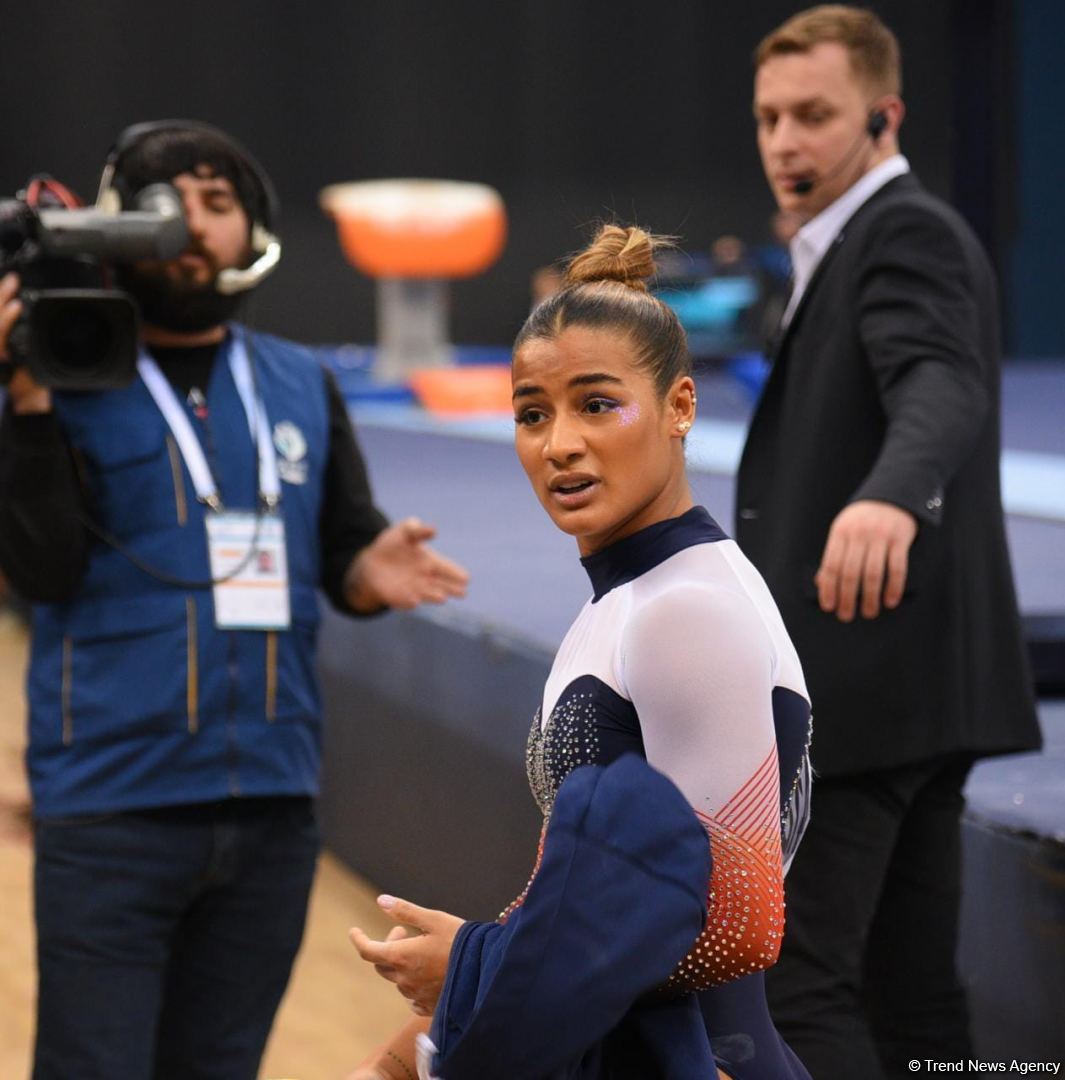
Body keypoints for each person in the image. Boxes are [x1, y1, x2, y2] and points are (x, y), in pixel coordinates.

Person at [0, 120, 468, 1079]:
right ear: (115, 228)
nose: (193, 225)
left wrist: (363, 574)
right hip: (110, 806)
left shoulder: (300, 382)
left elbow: (345, 544)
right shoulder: (59, 372)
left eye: (219, 203)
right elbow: (37, 574)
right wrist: (27, 397)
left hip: (274, 808)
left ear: (254, 230)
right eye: (167, 205)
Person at [347, 224, 813, 1079]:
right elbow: (600, 889)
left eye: (597, 404)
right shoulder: (633, 597)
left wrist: (475, 967)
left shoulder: (688, 610)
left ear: (680, 407)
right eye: (532, 413)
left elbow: (736, 927)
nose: (559, 443)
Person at [739, 8, 1041, 1078]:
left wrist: (890, 497)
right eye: (770, 116)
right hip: (911, 693)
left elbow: (939, 379)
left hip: (865, 688)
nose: (784, 140)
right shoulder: (837, 246)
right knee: (910, 1001)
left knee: (804, 991)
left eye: (813, 115)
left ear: (885, 115)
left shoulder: (901, 232)